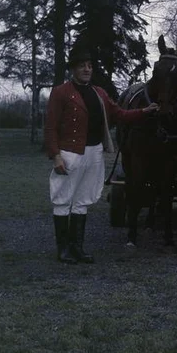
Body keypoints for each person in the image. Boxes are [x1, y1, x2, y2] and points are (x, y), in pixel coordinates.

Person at [44, 47, 158, 264]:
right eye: (82, 66)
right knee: (62, 199)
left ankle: (77, 248)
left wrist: (144, 111)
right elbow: (50, 127)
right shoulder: (60, 92)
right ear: (73, 69)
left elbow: (120, 114)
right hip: (69, 152)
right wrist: (55, 155)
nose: (87, 70)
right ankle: (63, 250)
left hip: (94, 151)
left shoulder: (99, 93)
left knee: (82, 200)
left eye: (89, 66)